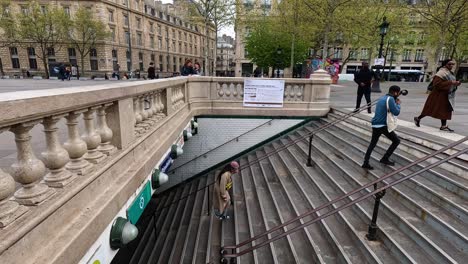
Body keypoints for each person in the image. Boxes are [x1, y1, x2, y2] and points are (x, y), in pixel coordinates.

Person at [414, 59, 461, 132]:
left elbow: (451, 83)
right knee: (431, 108)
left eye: (452, 64)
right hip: (438, 95)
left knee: (445, 110)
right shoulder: (441, 73)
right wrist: (451, 82)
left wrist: (456, 84)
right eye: (449, 64)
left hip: (446, 94)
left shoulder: (450, 73)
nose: (451, 65)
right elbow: (437, 84)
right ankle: (418, 118)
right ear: (445, 64)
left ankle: (443, 126)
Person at [362, 85, 402, 170]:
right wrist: (398, 105)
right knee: (396, 141)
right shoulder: (390, 99)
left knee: (372, 144)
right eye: (398, 93)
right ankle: (385, 158)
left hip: (375, 124)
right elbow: (396, 112)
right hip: (382, 125)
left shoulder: (383, 98)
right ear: (395, 92)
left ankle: (365, 162)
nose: (398, 94)